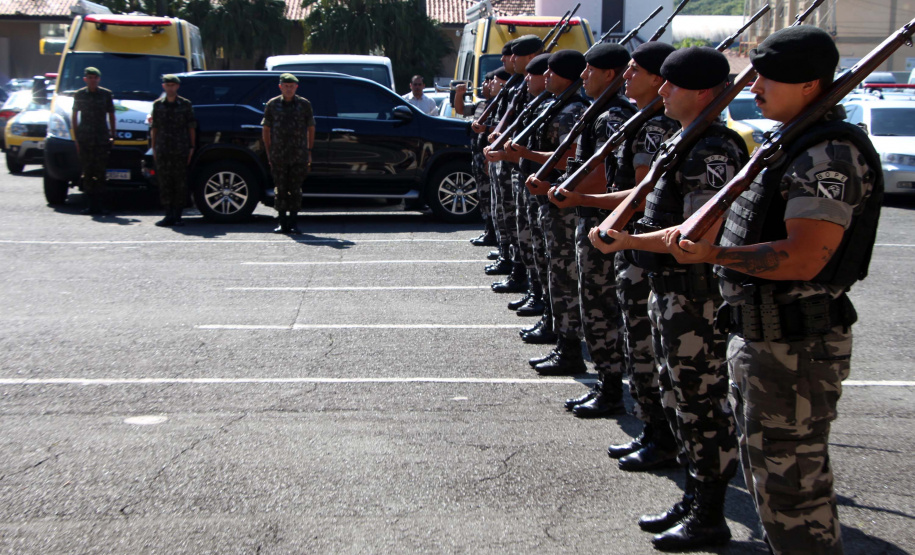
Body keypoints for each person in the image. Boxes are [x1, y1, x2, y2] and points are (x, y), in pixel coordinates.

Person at [662, 26, 882, 555]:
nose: (752, 85)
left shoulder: (827, 154)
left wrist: (711, 255)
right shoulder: (789, 142)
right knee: (775, 489)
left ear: (810, 84)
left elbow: (806, 256)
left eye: (766, 76)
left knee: (794, 494)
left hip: (797, 349)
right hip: (765, 343)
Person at [588, 47, 748, 551]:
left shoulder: (713, 150)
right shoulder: (684, 140)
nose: (661, 91)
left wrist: (630, 241)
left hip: (696, 298)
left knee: (701, 402)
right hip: (669, 293)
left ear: (701, 91)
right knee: (677, 394)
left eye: (671, 85)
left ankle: (711, 511)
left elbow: (697, 234)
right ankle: (695, 496)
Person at [549, 42, 680, 461]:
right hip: (613, 235)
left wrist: (586, 203)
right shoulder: (635, 119)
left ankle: (655, 429)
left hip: (634, 243)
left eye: (634, 70)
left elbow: (637, 194)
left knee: (633, 332)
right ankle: (635, 413)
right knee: (613, 317)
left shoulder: (648, 125)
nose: (626, 76)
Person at [532, 42, 635, 415]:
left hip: (596, 221)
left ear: (609, 74)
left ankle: (609, 387)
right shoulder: (598, 112)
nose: (584, 76)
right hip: (585, 217)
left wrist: (572, 195)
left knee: (600, 304)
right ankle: (586, 364)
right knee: (582, 292)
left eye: (591, 70)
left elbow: (607, 179)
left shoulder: (611, 116)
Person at [504, 49, 589, 374]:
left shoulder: (572, 109)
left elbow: (569, 157)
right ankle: (553, 323)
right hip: (547, 200)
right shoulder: (555, 105)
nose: (544, 76)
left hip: (562, 204)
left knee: (563, 274)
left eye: (551, 71)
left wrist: (526, 154)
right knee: (549, 265)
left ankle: (568, 345)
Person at [262, 73, 316, 234]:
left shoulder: (304, 104)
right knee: (280, 188)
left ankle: (293, 221)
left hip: (298, 154)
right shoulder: (272, 105)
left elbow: (311, 128)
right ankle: (282, 222)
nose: (288, 89)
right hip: (278, 154)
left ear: (296, 87)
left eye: (291, 86)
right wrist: (269, 151)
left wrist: (309, 150)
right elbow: (266, 129)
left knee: (295, 188)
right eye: (285, 86)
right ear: (280, 87)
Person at [150, 74, 197, 227]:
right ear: (163, 87)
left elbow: (191, 127)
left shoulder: (185, 104)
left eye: (173, 85)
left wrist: (191, 147)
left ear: (177, 87)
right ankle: (168, 214)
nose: (170, 88)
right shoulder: (158, 105)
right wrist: (154, 147)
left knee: (179, 182)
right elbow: (154, 127)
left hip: (180, 148)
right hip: (163, 148)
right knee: (165, 182)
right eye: (167, 85)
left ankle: (177, 215)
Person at [71, 66, 115, 215]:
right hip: (85, 138)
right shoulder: (79, 94)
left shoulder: (106, 94)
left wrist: (112, 135)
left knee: (101, 172)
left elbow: (111, 114)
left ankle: (100, 205)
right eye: (89, 77)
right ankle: (90, 204)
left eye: (95, 78)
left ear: (99, 79)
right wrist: (76, 137)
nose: (92, 80)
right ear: (85, 79)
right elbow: (74, 115)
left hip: (101, 138)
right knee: (88, 172)